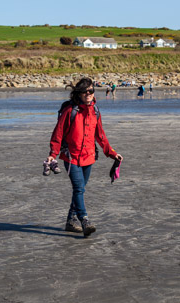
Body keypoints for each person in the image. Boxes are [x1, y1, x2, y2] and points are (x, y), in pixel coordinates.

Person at [46, 77, 123, 237]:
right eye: (85, 91)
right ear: (79, 94)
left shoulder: (95, 111)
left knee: (79, 190)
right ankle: (84, 219)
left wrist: (112, 153)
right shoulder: (70, 111)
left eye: (91, 91)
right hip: (71, 157)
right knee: (79, 188)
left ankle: (70, 221)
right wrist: (53, 154)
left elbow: (100, 136)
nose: (88, 94)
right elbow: (58, 134)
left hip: (89, 157)